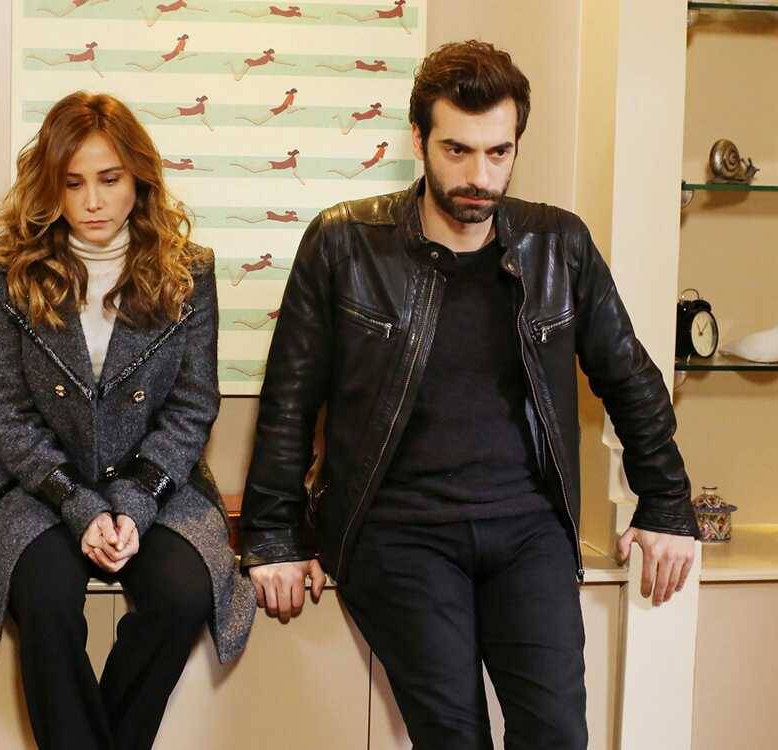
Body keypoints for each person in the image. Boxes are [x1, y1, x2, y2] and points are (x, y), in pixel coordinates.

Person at [239, 40, 700, 749]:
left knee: (557, 735)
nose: (479, 176)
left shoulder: (559, 244)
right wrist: (273, 535)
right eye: (456, 151)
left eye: (498, 152)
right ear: (418, 139)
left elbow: (629, 377)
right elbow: (290, 398)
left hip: (529, 530)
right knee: (454, 738)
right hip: (399, 530)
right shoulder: (345, 243)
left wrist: (666, 502)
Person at [0, 90, 254, 750]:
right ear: (51, 186)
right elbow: (6, 409)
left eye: (109, 179)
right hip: (34, 486)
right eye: (73, 182)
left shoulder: (188, 271)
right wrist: (79, 506)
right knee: (45, 600)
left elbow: (191, 406)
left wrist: (133, 504)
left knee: (183, 593)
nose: (92, 201)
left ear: (139, 178)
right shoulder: (8, 270)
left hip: (155, 483)